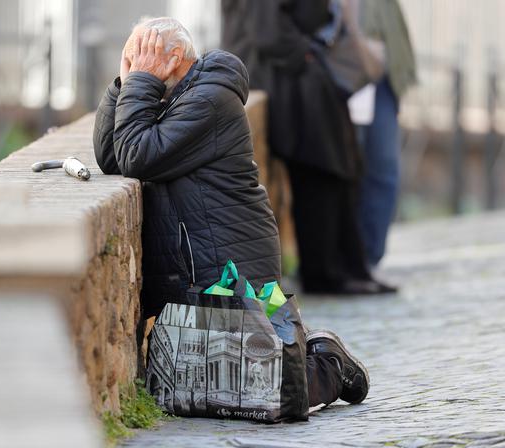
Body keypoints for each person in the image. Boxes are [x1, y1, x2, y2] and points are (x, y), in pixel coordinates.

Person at [93, 16, 368, 411]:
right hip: (199, 273)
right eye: (133, 57)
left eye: (145, 55)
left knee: (268, 396)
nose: (138, 65)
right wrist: (123, 85)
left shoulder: (209, 100)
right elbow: (111, 157)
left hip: (233, 270)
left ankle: (327, 360)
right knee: (204, 392)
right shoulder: (169, 97)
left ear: (172, 58)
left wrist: (140, 84)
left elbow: (137, 156)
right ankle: (300, 353)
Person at [221, 0, 395, 295]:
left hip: (301, 74)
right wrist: (306, 54)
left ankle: (351, 267)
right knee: (319, 166)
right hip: (283, 76)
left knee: (343, 164)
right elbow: (268, 32)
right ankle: (325, 273)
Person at [357, 0, 417, 267]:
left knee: (384, 169)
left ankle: (370, 256)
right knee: (346, 167)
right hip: (343, 67)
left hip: (383, 78)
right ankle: (349, 257)